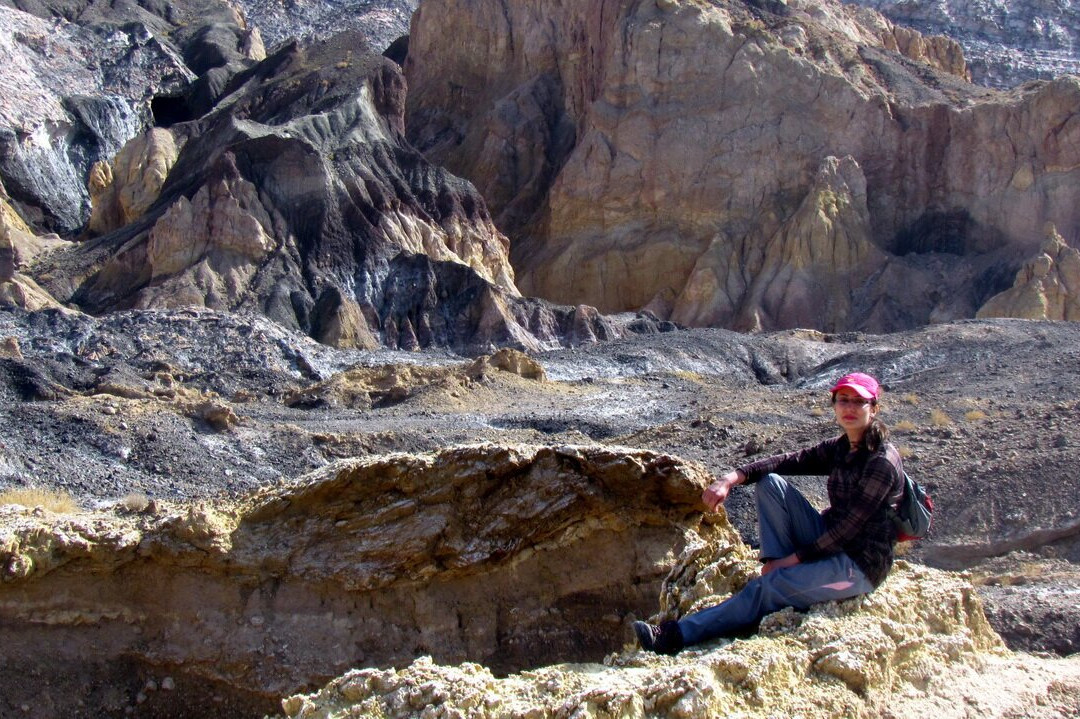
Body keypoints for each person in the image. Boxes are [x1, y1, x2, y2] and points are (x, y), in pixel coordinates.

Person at [634, 372, 905, 654]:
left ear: (874, 408)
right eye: (843, 400)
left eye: (859, 402)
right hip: (830, 543)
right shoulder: (843, 447)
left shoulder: (881, 462)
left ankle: (675, 636)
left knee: (767, 587)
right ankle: (780, 574)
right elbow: (790, 460)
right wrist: (731, 478)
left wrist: (791, 561)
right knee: (770, 483)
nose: (849, 408)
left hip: (857, 565)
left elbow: (847, 529)